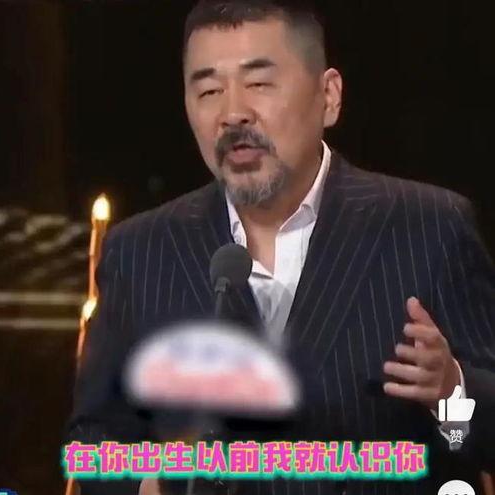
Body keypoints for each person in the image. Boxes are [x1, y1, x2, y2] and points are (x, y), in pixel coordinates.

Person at [65, 0, 495, 494]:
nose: (232, 113)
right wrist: (152, 483)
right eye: (208, 90)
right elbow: (93, 442)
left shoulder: (429, 228)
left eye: (259, 83)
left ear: (328, 97)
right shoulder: (142, 251)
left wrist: (451, 391)